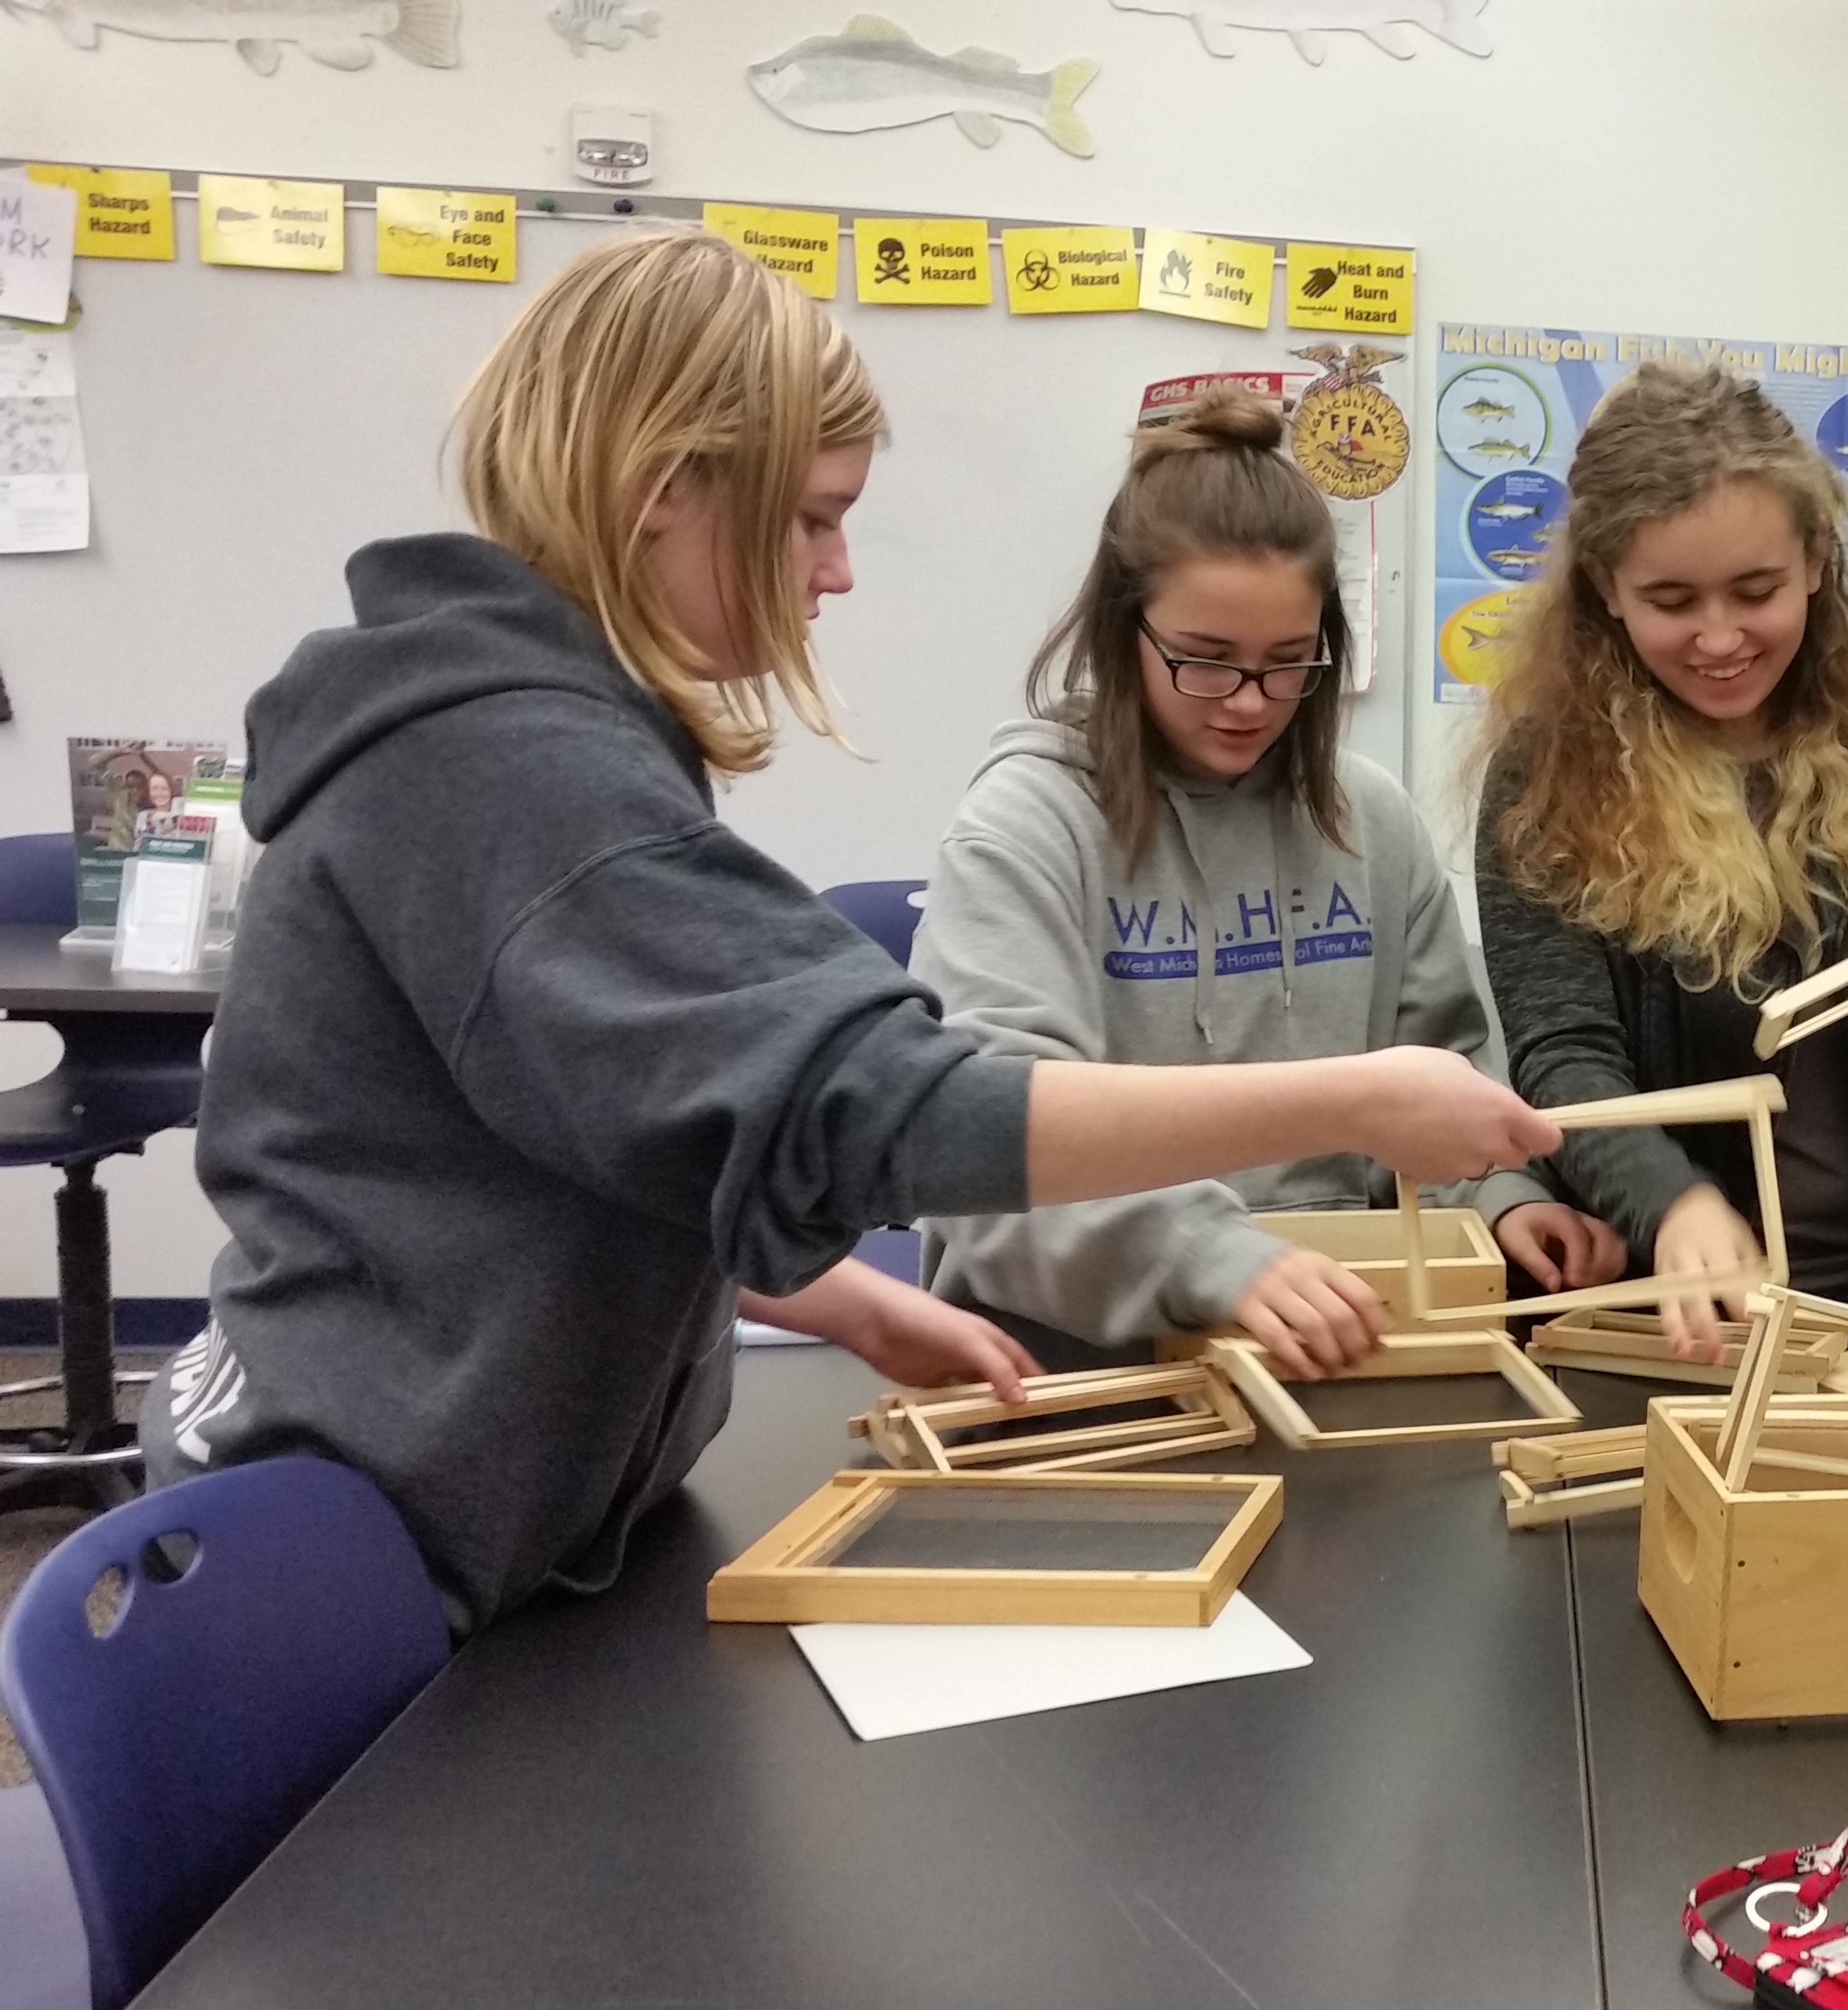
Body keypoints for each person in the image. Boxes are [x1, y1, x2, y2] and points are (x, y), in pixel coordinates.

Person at [160, 231, 1549, 1633]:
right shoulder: (511, 764)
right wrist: (1365, 1099)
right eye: (813, 518)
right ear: (662, 493)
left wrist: (822, 1293)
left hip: (493, 1509)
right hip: (362, 1548)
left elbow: (608, 1113)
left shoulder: (545, 732)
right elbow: (877, 1107)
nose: (834, 574)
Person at [911, 384, 1620, 1377]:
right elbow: (987, 1154)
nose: (1250, 703)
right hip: (1076, 1365)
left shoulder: (1370, 819)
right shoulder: (1026, 827)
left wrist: (1505, 1200)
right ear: (1125, 633)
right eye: (1205, 662)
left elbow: (1441, 1075)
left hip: (1328, 1333)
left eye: (1289, 663)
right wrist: (1213, 1254)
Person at [1476, 361, 1848, 1362]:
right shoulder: (1546, 769)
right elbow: (1562, 1056)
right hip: (1674, 1307)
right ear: (1605, 588)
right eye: (1672, 600)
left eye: (1756, 589)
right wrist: (1672, 1202)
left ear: (1817, 558)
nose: (1721, 636)